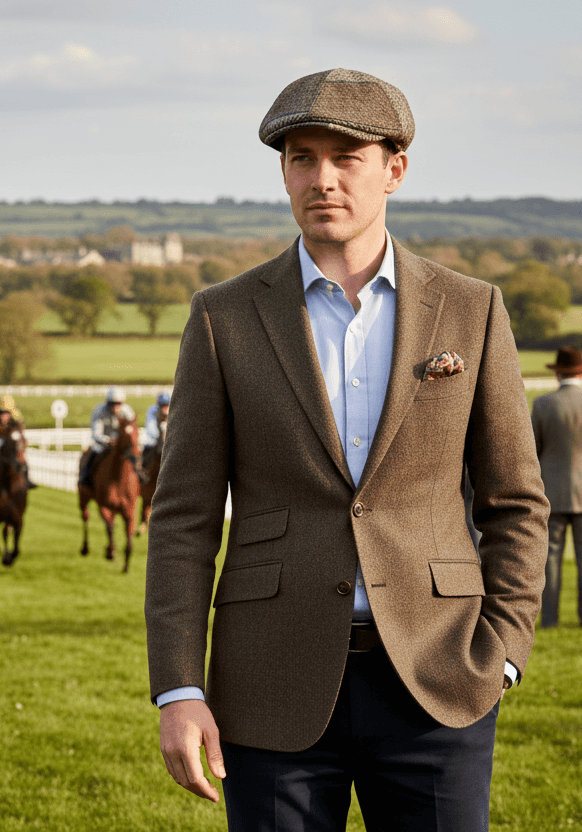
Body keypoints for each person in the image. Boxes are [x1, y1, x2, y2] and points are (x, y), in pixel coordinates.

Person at [145, 68, 549, 831]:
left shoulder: (472, 309)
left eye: (346, 157)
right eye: (301, 158)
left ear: (395, 169)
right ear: (284, 173)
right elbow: (182, 521)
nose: (321, 178)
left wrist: (502, 653)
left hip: (439, 676)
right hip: (268, 682)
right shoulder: (223, 317)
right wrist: (179, 687)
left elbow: (516, 503)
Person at [531, 345, 582, 628]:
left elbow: (532, 452)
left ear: (558, 373)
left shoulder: (543, 404)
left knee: (549, 559)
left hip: (551, 492)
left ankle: (549, 618)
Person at [79, 386, 142, 487]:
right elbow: (96, 434)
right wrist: (108, 440)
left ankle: (140, 475)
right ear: (108, 403)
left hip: (121, 445)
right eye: (113, 404)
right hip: (103, 445)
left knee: (135, 457)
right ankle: (84, 478)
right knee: (91, 456)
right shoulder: (99, 411)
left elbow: (132, 429)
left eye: (118, 404)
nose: (116, 407)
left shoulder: (127, 411)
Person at [142, 391, 170, 469]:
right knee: (149, 444)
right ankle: (144, 468)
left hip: (169, 440)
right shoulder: (152, 410)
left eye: (166, 405)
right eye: (162, 406)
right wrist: (160, 435)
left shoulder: (173, 411)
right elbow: (151, 427)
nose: (164, 408)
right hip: (156, 440)